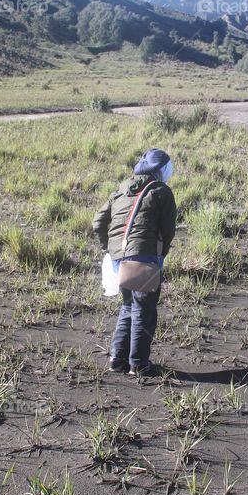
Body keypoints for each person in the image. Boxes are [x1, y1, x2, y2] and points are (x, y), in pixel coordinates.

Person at [92, 148, 177, 375]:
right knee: (144, 310)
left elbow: (98, 223)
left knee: (129, 306)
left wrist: (109, 249)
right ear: (161, 169)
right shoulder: (161, 191)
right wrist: (160, 256)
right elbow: (168, 231)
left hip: (119, 259)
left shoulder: (121, 189)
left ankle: (117, 360)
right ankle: (138, 364)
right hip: (144, 256)